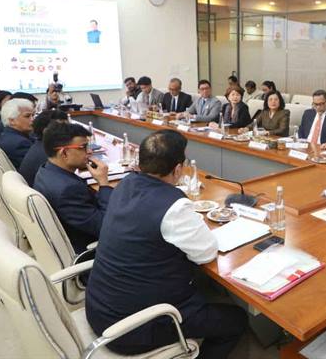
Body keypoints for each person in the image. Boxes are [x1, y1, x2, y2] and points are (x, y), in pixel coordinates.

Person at [85, 130, 247, 358]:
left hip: (100, 307)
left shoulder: (125, 183)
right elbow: (206, 254)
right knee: (236, 319)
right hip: (132, 328)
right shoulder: (174, 207)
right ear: (178, 169)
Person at [34, 122, 112, 254]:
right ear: (64, 153)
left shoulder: (46, 170)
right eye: (83, 147)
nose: (89, 151)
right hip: (91, 249)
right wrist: (103, 182)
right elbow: (105, 226)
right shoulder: (68, 190)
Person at [19, 110, 68, 186]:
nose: (70, 132)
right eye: (63, 129)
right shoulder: (49, 155)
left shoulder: (39, 146)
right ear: (46, 131)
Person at [0, 99, 34, 169]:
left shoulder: (7, 135)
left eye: (33, 115)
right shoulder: (20, 143)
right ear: (12, 121)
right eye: (27, 116)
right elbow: (35, 166)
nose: (32, 119)